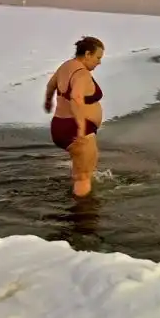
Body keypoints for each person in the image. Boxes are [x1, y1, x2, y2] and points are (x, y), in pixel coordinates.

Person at [44, 36, 104, 198]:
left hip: (59, 125)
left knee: (82, 173)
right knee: (83, 177)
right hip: (76, 128)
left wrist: (48, 102)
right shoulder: (82, 74)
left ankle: (80, 199)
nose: (99, 62)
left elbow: (51, 85)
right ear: (88, 54)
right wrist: (81, 128)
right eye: (97, 58)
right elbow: (76, 97)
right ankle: (83, 211)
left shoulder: (66, 66)